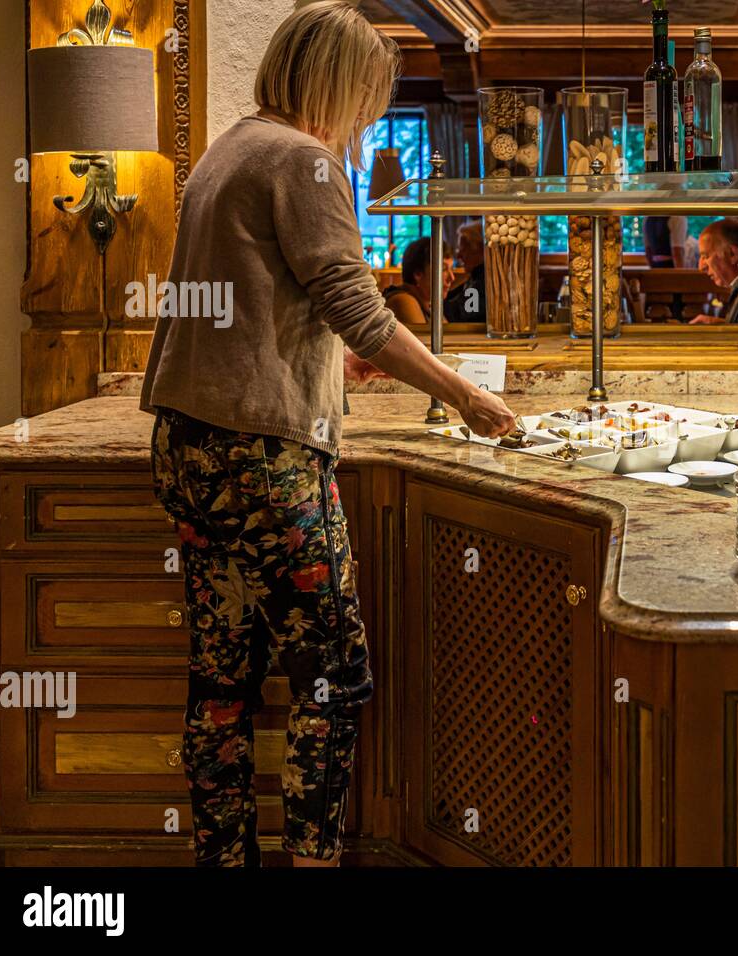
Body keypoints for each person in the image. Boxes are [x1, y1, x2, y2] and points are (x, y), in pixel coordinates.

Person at [139, 0, 516, 868]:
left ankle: (222, 859)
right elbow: (356, 304)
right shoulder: (304, 160)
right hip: (264, 462)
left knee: (223, 678)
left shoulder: (227, 150)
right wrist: (466, 395)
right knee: (332, 676)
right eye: (367, 99)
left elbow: (248, 303)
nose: (368, 121)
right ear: (340, 84)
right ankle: (314, 862)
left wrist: (325, 366)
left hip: (191, 450)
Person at [384, 236, 454, 327]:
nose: (452, 278)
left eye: (451, 269)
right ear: (418, 274)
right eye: (443, 269)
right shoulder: (403, 301)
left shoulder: (427, 303)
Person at [443, 221, 486, 323]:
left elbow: (461, 314)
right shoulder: (475, 275)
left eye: (463, 249)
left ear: (481, 250)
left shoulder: (484, 281)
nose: (458, 256)